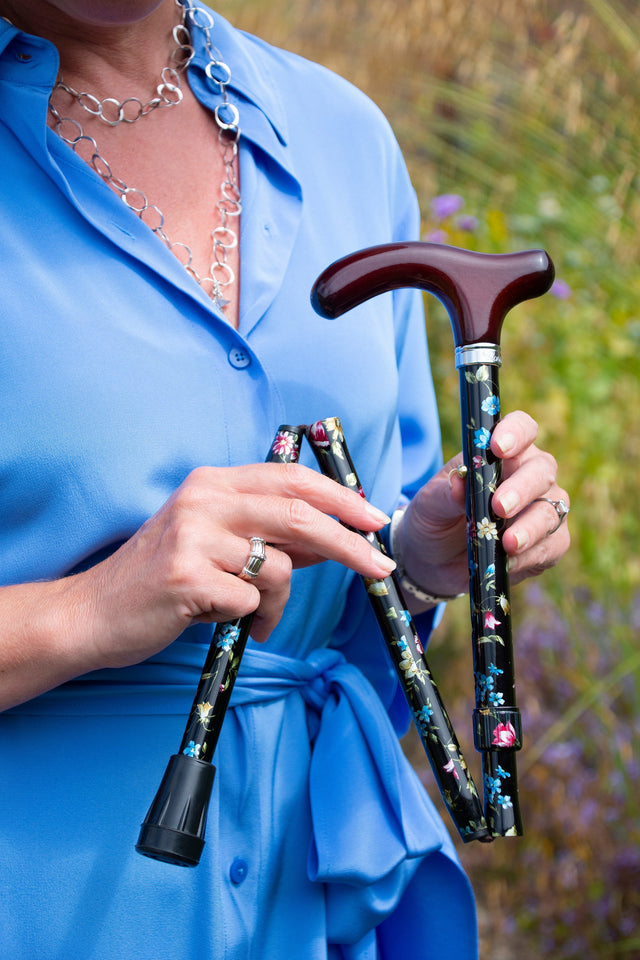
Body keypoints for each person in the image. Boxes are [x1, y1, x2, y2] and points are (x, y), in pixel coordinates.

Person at [0, 1, 570, 957]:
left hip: (310, 905)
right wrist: (91, 608)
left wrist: (411, 559)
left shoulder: (342, 134)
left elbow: (352, 613)